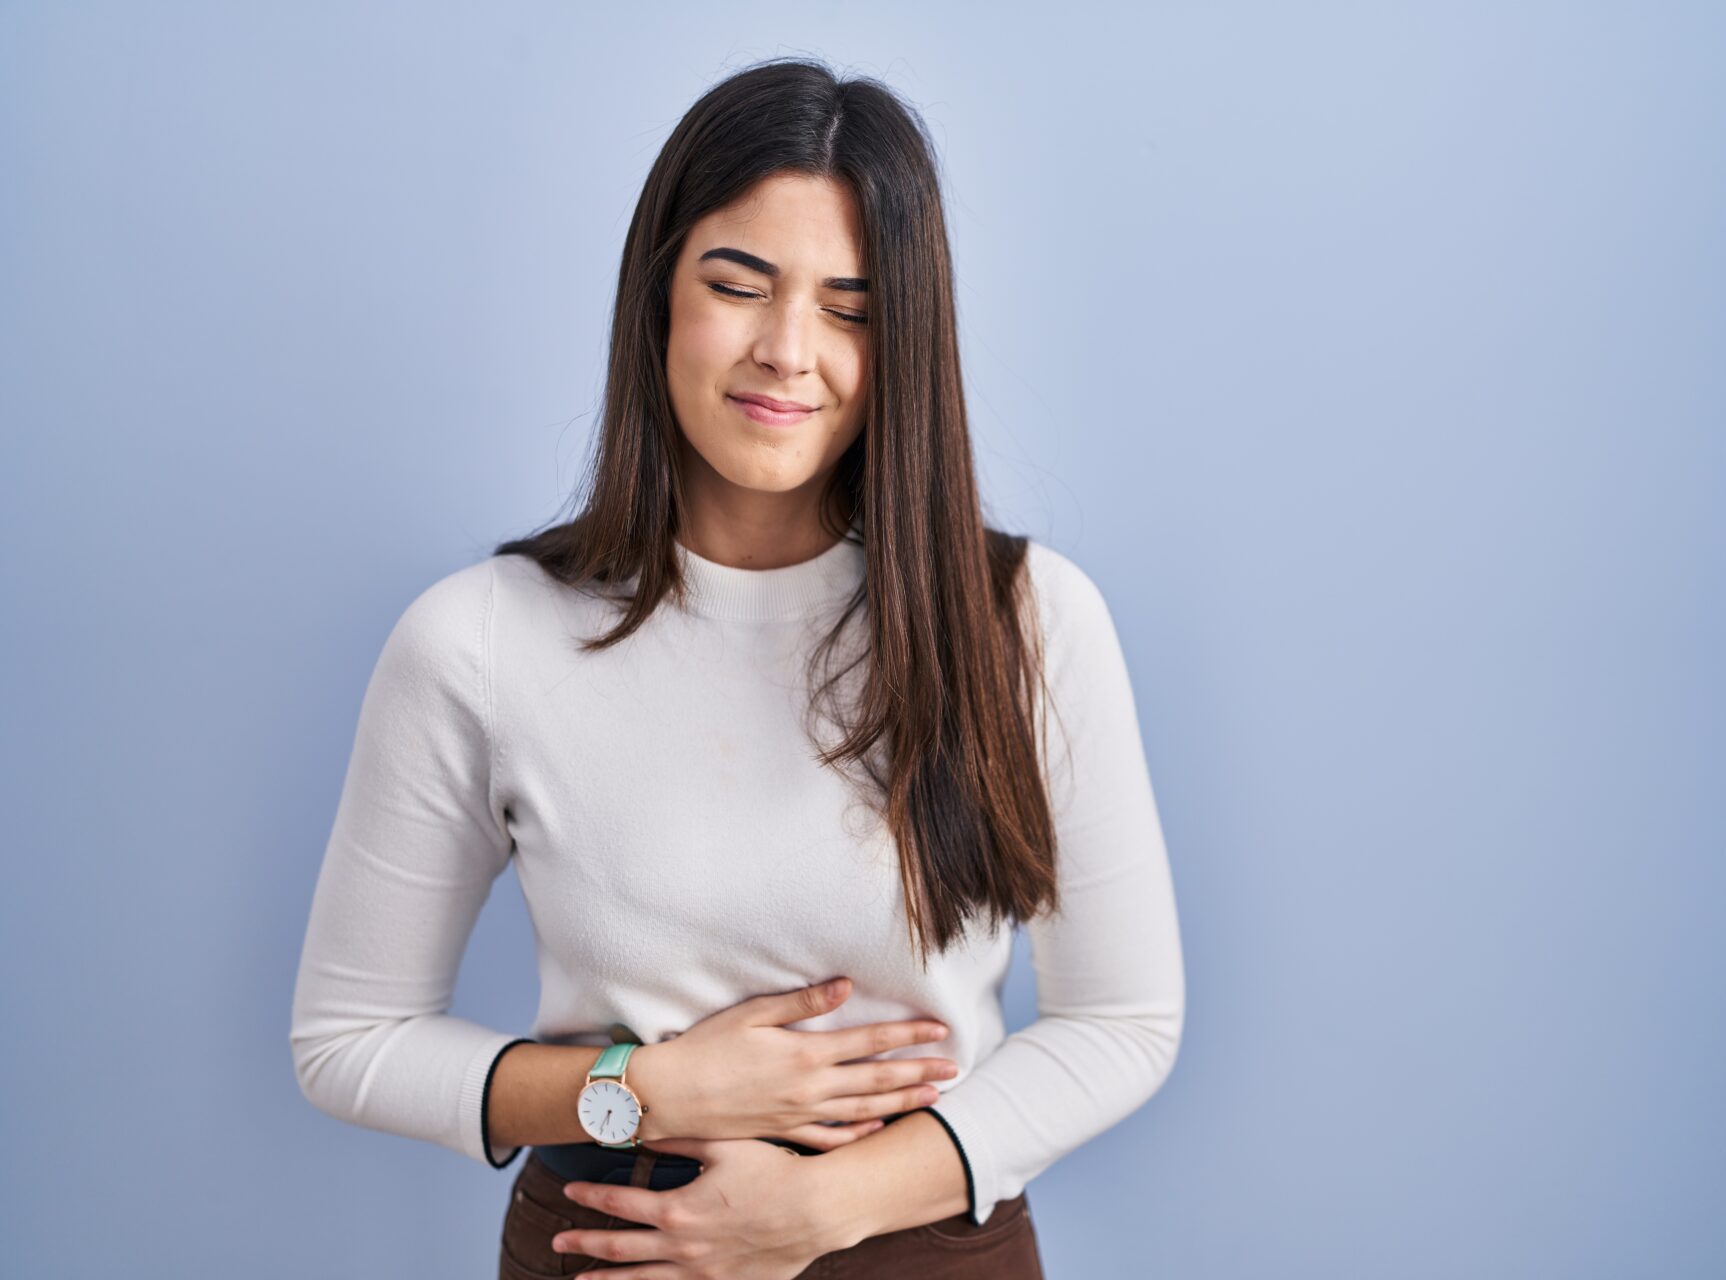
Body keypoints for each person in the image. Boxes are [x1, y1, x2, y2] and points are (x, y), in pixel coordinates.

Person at [288, 56, 1183, 1280]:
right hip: (613, 1244)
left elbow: (1123, 1021)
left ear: (906, 340)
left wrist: (827, 1205)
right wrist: (639, 1088)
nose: (787, 350)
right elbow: (347, 1039)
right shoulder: (480, 637)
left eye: (850, 307)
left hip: (930, 1246)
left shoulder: (1022, 617)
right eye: (738, 284)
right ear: (659, 295)